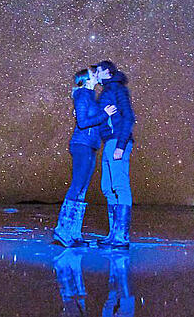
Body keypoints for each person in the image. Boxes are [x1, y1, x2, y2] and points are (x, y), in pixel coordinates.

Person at [53, 67, 116, 248]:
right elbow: (82, 122)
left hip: (90, 145)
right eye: (93, 73)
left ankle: (74, 233)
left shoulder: (89, 95)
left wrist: (104, 113)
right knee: (77, 186)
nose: (96, 74)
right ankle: (63, 230)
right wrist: (105, 114)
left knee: (82, 189)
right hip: (81, 145)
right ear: (86, 78)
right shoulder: (82, 94)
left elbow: (92, 117)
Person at [95, 61, 136, 249]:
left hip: (118, 141)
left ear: (108, 72)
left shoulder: (118, 89)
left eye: (98, 70)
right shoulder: (106, 90)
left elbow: (128, 117)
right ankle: (113, 234)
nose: (96, 72)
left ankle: (121, 237)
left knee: (120, 185)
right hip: (108, 142)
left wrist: (121, 145)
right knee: (107, 187)